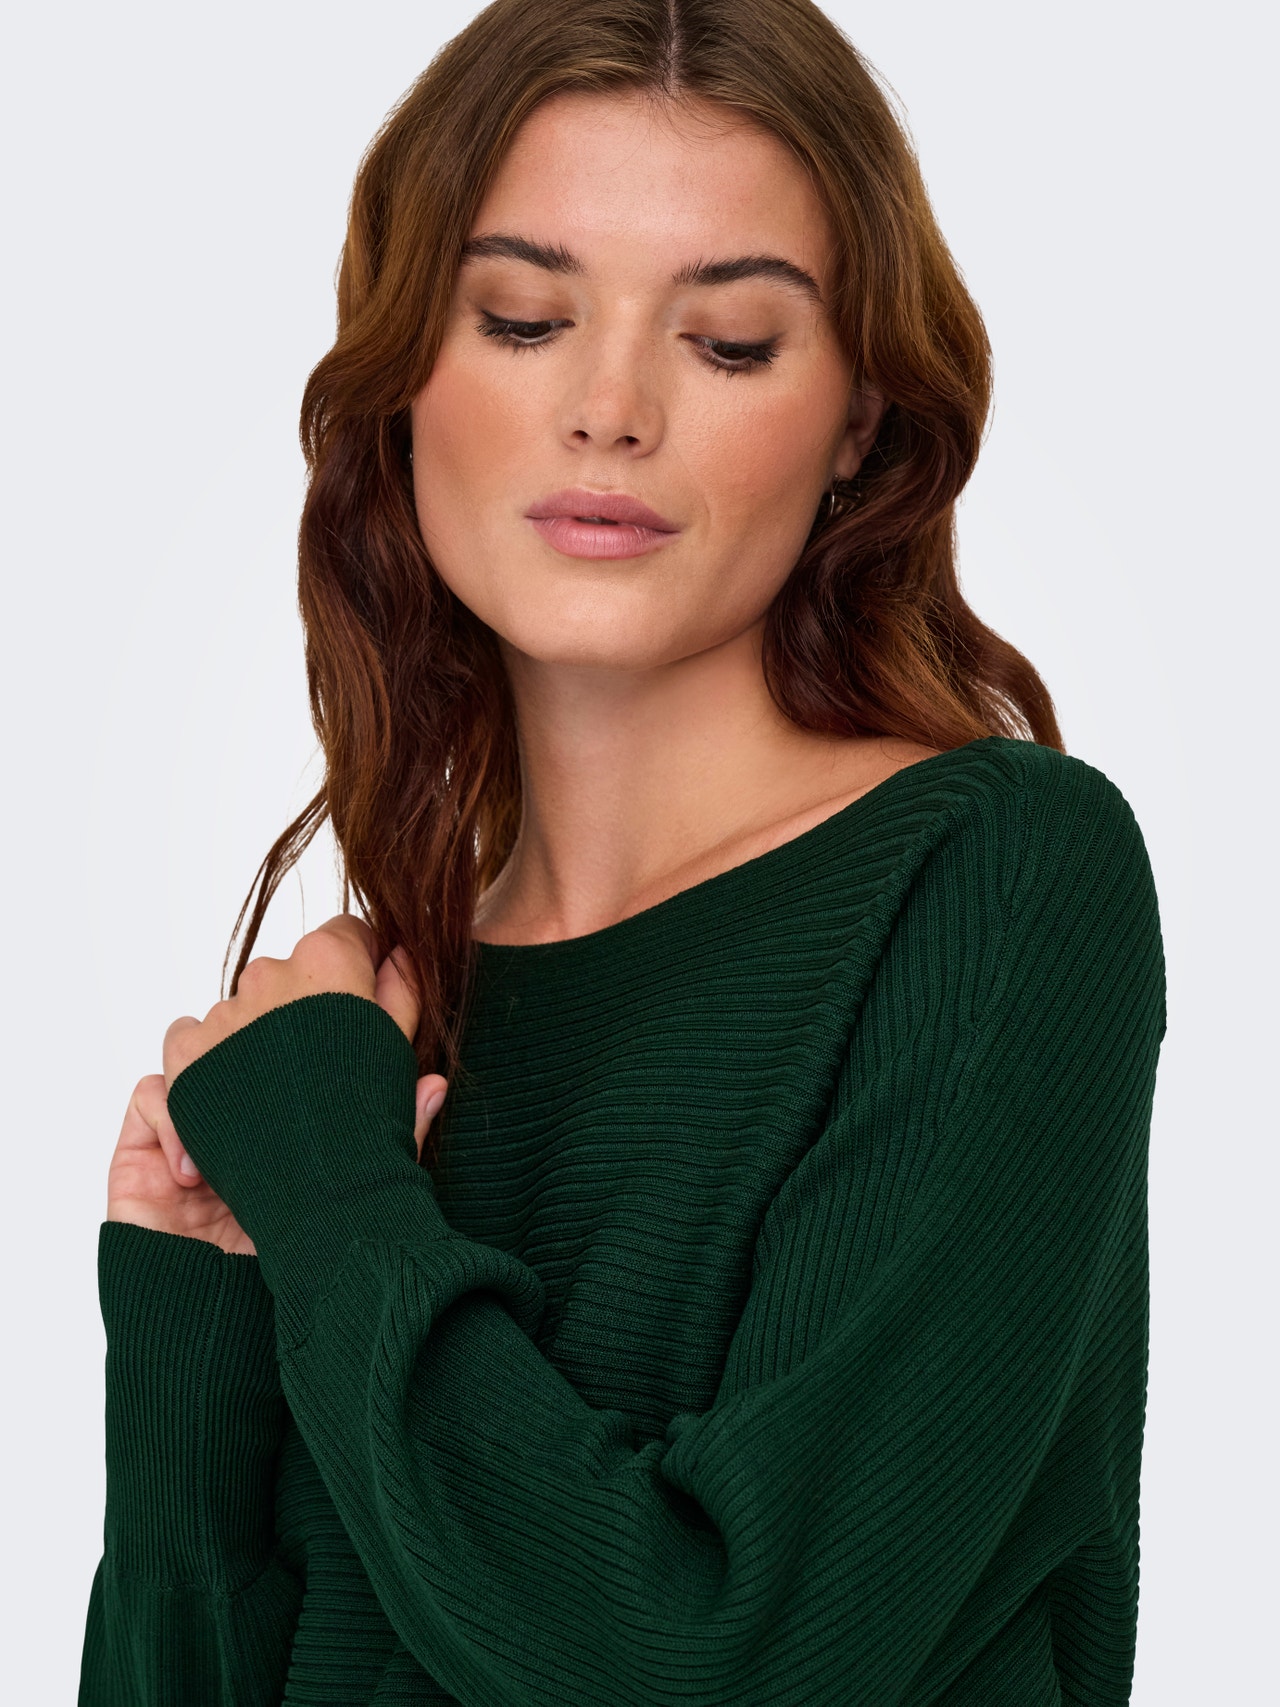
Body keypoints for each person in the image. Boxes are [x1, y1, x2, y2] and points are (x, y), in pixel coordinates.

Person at [78, 1, 1167, 1702]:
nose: (610, 409)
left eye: (728, 342)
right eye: (523, 318)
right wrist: (197, 1329)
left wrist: (342, 1202)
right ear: (405, 372)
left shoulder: (998, 879)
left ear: (859, 421)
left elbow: (717, 1662)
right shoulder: (372, 1034)